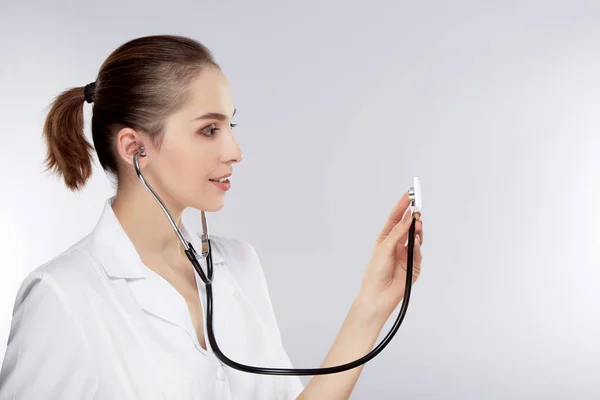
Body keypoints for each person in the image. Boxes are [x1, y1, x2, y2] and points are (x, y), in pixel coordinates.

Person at [0, 35, 423, 400]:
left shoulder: (238, 266)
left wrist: (373, 301)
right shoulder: (61, 297)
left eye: (231, 125)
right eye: (209, 129)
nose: (235, 151)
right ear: (134, 148)